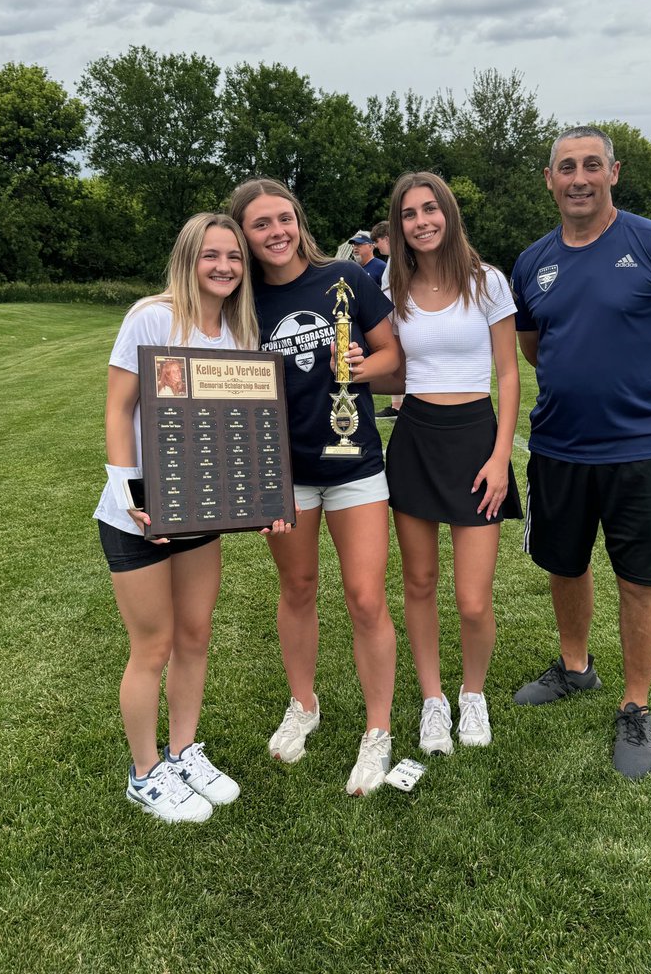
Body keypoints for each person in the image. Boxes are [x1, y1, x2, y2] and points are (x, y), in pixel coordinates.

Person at [510, 126, 651, 779]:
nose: (578, 178)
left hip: (642, 450)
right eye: (566, 167)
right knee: (565, 562)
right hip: (558, 446)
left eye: (591, 165)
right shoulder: (532, 261)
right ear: (549, 180)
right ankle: (575, 667)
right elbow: (535, 347)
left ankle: (636, 705)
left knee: (639, 580)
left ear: (613, 172)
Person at [94, 212, 291, 823]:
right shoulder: (152, 317)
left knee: (195, 636)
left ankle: (182, 752)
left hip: (199, 512)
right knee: (152, 646)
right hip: (140, 516)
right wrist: (129, 489)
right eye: (211, 255)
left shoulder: (240, 331)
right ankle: (144, 773)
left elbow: (243, 431)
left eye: (234, 256)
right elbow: (118, 408)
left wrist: (264, 498)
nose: (224, 266)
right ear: (188, 258)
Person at [228, 179, 401, 796]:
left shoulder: (345, 279)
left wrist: (359, 365)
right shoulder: (240, 302)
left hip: (354, 465)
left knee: (365, 598)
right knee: (297, 587)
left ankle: (377, 729)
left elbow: (393, 358)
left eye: (284, 218)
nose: (276, 232)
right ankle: (304, 704)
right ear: (244, 235)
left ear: (299, 221)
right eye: (260, 224)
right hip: (285, 472)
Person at [369, 171, 522, 756]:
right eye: (409, 214)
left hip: (476, 441)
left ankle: (472, 693)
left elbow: (508, 374)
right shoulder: (392, 285)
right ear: (398, 225)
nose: (421, 221)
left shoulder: (487, 282)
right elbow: (393, 368)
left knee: (474, 599)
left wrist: (501, 456)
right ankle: (433, 698)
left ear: (448, 213)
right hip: (415, 439)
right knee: (419, 582)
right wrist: (352, 369)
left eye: (430, 209)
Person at [370, 219, 404, 421]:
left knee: (399, 362)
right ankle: (397, 405)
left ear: (387, 238)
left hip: (399, 319)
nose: (376, 247)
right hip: (394, 318)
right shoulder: (394, 260)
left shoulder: (399, 260)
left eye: (377, 242)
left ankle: (400, 405)